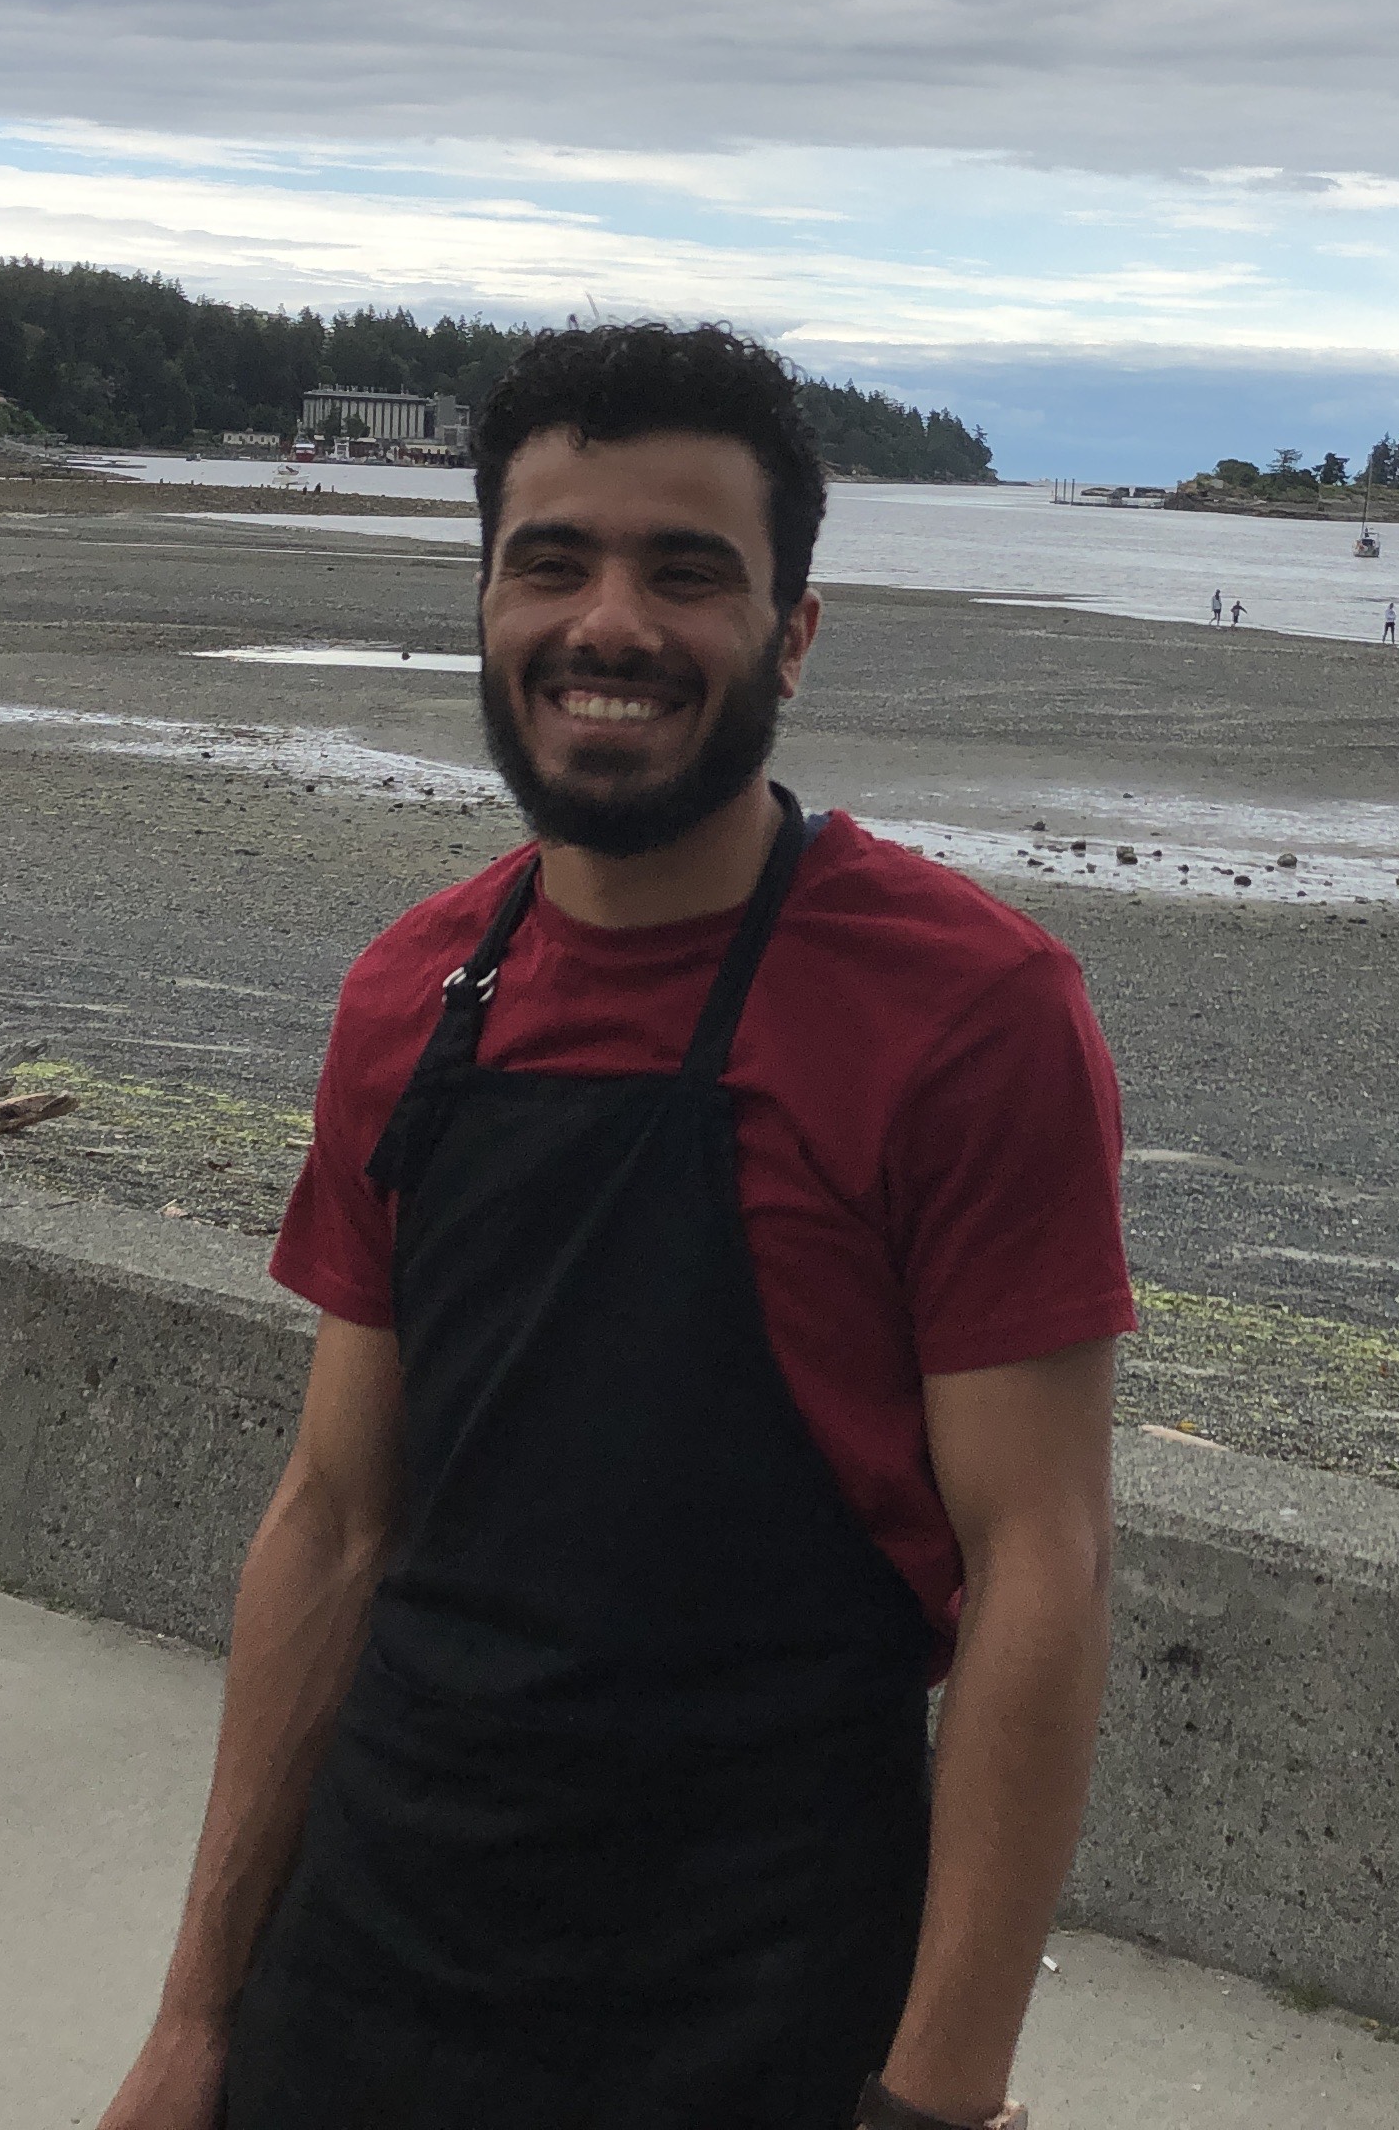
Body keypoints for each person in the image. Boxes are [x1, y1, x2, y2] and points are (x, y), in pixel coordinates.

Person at [101, 323, 1132, 2130]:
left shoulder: (969, 1011)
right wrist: (197, 2017)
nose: (610, 624)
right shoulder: (414, 993)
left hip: (763, 1996)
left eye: (688, 571)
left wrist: (939, 2096)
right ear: (487, 602)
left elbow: (1037, 1568)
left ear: (793, 635)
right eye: (552, 561)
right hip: (370, 1963)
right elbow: (337, 1520)